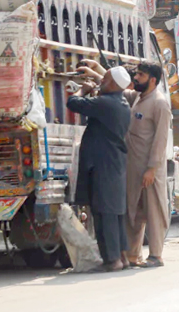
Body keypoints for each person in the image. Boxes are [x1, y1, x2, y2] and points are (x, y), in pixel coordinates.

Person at [66, 66, 133, 272]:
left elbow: (73, 103)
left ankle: (112, 260)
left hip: (103, 164)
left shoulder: (107, 103)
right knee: (114, 213)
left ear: (113, 84)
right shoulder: (120, 103)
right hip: (112, 163)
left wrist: (82, 90)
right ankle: (122, 256)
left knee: (105, 213)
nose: (101, 81)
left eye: (104, 78)